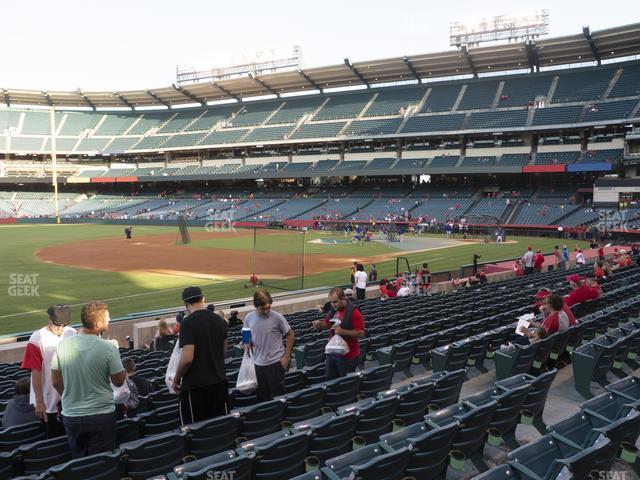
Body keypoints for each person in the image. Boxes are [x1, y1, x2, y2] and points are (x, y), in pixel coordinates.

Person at [51, 301, 125, 458]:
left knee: (80, 463)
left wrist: (71, 395)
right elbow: (119, 381)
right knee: (100, 464)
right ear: (98, 323)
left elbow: (56, 382)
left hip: (72, 415)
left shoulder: (62, 345)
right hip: (101, 414)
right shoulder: (109, 347)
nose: (109, 320)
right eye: (107, 318)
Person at [172, 286, 228, 424]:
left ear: (186, 305)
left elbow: (187, 359)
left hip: (196, 387)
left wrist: (176, 379)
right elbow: (224, 351)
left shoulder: (187, 323)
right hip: (220, 382)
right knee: (221, 427)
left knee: (196, 431)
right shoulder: (219, 320)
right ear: (203, 299)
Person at [21, 304, 76, 438]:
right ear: (49, 319)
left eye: (63, 325)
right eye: (57, 325)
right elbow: (36, 371)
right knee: (53, 436)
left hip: (71, 397)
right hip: (48, 399)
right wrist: (39, 401)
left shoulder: (72, 333)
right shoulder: (37, 338)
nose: (60, 328)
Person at [243, 290, 294, 402]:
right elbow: (246, 334)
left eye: (268, 307)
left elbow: (290, 335)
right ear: (255, 306)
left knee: (279, 398)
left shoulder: (277, 317)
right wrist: (246, 343)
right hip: (257, 365)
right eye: (263, 308)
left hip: (275, 364)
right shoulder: (249, 317)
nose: (266, 311)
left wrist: (286, 357)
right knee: (262, 399)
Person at [312, 288, 365, 380]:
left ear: (343, 298)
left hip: (348, 356)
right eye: (331, 302)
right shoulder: (333, 309)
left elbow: (361, 333)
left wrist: (343, 331)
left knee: (345, 384)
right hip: (332, 352)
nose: (333, 304)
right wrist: (319, 324)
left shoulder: (354, 312)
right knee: (330, 381)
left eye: (335, 302)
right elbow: (327, 324)